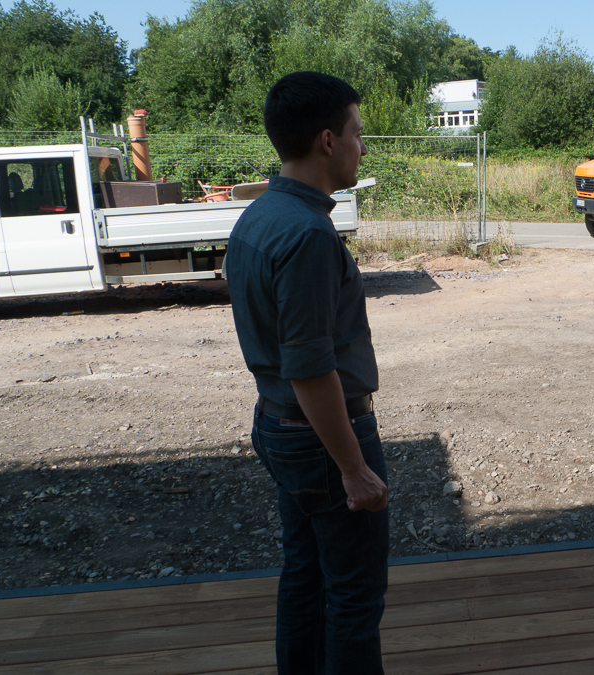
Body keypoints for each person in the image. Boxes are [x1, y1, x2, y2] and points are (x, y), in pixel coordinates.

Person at [224, 71, 389, 674]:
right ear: (327, 141)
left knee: (305, 574)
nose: (361, 147)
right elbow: (311, 368)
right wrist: (354, 469)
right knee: (352, 596)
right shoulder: (309, 235)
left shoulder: (259, 217)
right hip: (323, 436)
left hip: (280, 426)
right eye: (357, 134)